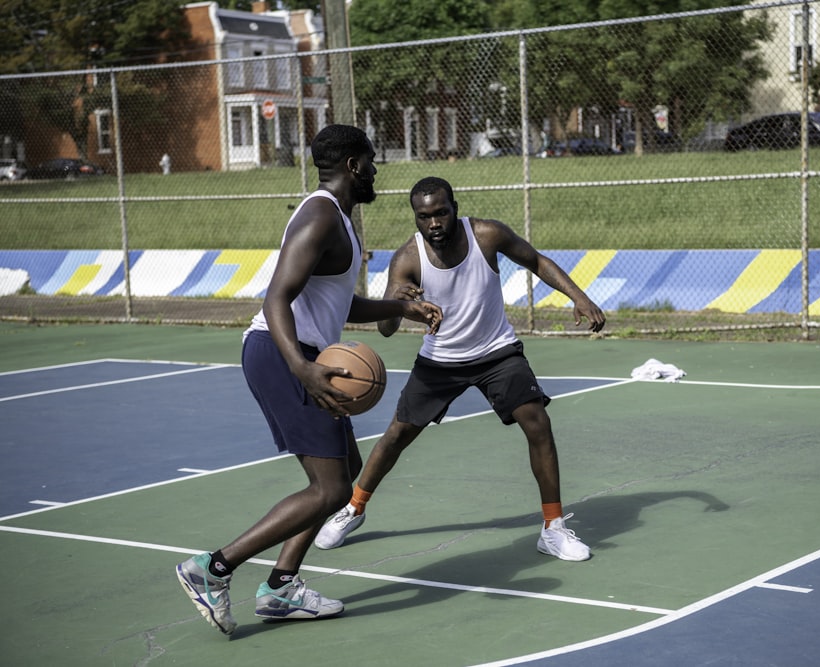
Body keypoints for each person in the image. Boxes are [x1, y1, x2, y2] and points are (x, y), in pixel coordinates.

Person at [174, 125, 443, 636]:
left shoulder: (337, 219)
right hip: (283, 355)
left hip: (303, 355)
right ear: (354, 166)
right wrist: (302, 366)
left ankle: (280, 588)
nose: (376, 171)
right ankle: (212, 569)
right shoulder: (320, 214)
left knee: (345, 472)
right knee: (331, 487)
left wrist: (402, 308)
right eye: (372, 161)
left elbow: (342, 303)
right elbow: (276, 297)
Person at [313, 176, 605, 561]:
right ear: (415, 218)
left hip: (497, 352)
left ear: (454, 208)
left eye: (441, 213)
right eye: (424, 217)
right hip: (441, 360)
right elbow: (385, 330)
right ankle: (353, 508)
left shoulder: (487, 235)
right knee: (397, 435)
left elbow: (535, 260)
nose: (434, 223)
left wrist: (579, 296)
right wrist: (396, 301)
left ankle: (553, 529)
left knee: (538, 423)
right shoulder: (408, 258)